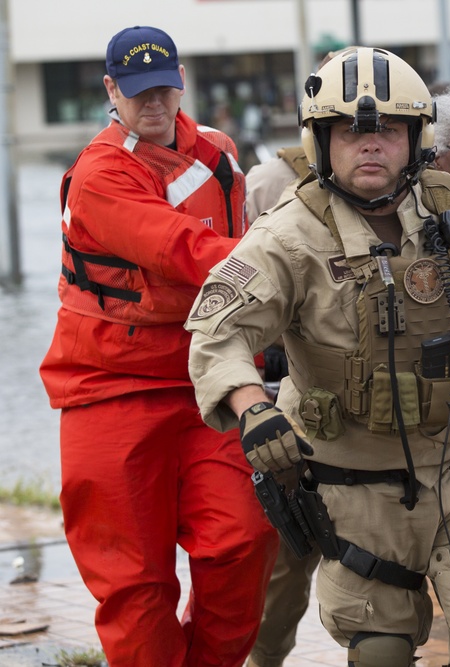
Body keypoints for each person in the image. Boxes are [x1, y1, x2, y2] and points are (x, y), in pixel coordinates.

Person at [185, 46, 450, 666]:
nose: (370, 144)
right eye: (351, 130)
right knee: (379, 649)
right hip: (356, 474)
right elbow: (218, 333)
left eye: (388, 129)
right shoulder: (287, 236)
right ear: (321, 140)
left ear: (416, 138)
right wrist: (253, 409)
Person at [38, 25, 278, 666]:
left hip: (210, 378)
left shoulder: (220, 152)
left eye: (166, 90)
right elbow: (180, 250)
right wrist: (291, 265)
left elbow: (239, 238)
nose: (155, 106)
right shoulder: (99, 174)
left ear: (181, 85)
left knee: (244, 541)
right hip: (108, 390)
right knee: (134, 580)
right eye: (139, 93)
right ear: (112, 90)